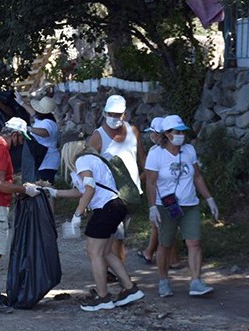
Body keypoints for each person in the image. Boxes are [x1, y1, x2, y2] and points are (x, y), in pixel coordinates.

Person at [47, 140, 145, 311]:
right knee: (105, 252)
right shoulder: (91, 158)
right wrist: (55, 192)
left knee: (94, 252)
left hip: (105, 209)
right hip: (116, 206)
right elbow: (82, 190)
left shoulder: (81, 160)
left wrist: (77, 214)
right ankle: (130, 289)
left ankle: (103, 297)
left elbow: (89, 188)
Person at [145, 115, 219, 297]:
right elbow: (151, 182)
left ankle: (196, 281)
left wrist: (209, 199)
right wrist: (152, 206)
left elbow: (197, 176)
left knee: (194, 242)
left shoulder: (189, 150)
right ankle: (163, 281)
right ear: (167, 134)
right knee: (165, 244)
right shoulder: (156, 154)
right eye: (176, 132)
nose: (180, 135)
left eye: (182, 132)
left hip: (189, 203)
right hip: (166, 205)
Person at [0, 118, 39, 313]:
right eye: (20, 139)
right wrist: (23, 189)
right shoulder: (1, 149)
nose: (20, 144)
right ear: (14, 135)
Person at [88, 95, 146, 264]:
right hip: (109, 197)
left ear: (124, 115)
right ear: (105, 113)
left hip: (130, 195)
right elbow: (90, 164)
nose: (113, 118)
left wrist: (138, 182)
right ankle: (114, 273)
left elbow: (143, 159)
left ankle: (115, 272)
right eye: (110, 114)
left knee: (119, 237)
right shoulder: (98, 136)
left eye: (117, 114)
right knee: (112, 235)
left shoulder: (133, 132)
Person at [137, 117, 180, 268]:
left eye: (154, 133)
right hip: (171, 194)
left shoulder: (155, 151)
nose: (152, 136)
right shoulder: (175, 150)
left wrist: (135, 183)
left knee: (164, 226)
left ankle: (168, 258)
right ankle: (152, 253)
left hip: (162, 196)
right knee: (163, 225)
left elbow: (149, 176)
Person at [26, 96, 60, 183]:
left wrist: (29, 129)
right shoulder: (42, 120)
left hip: (48, 161)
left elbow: (45, 132)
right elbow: (33, 114)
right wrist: (21, 103)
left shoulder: (48, 123)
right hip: (43, 159)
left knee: (45, 187)